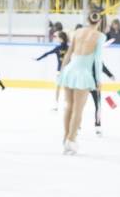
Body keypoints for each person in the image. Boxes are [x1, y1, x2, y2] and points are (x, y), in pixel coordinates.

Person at [57, 12, 106, 155]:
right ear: (99, 22)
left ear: (87, 19)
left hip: (70, 70)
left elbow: (68, 54)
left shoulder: (77, 32)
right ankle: (71, 141)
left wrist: (61, 72)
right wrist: (98, 80)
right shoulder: (100, 37)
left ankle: (66, 138)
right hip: (83, 73)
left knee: (69, 106)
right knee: (78, 109)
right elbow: (98, 61)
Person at [36, 31, 68, 111]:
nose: (56, 39)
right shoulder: (67, 48)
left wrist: (38, 58)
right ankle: (62, 105)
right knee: (64, 88)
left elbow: (47, 53)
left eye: (57, 37)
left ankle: (58, 105)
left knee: (59, 87)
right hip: (65, 71)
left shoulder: (60, 48)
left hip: (63, 71)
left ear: (61, 39)